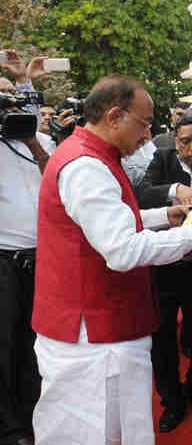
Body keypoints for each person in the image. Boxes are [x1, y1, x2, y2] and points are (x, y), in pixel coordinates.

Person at [30, 74, 192, 445]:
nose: (147, 135)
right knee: (96, 432)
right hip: (93, 332)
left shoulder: (93, 156)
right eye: (144, 124)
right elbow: (122, 248)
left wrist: (167, 216)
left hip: (102, 324)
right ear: (115, 116)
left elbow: (109, 222)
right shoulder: (86, 167)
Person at [137, 108, 192, 432]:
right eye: (184, 142)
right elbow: (142, 195)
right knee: (162, 337)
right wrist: (175, 189)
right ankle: (171, 401)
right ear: (175, 143)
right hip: (165, 267)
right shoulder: (163, 161)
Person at [0, 51, 50, 445]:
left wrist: (32, 140)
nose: (8, 108)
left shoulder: (36, 137)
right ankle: (11, 429)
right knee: (4, 346)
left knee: (37, 345)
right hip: (2, 262)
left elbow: (55, 175)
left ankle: (37, 418)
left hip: (42, 259)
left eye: (13, 99)